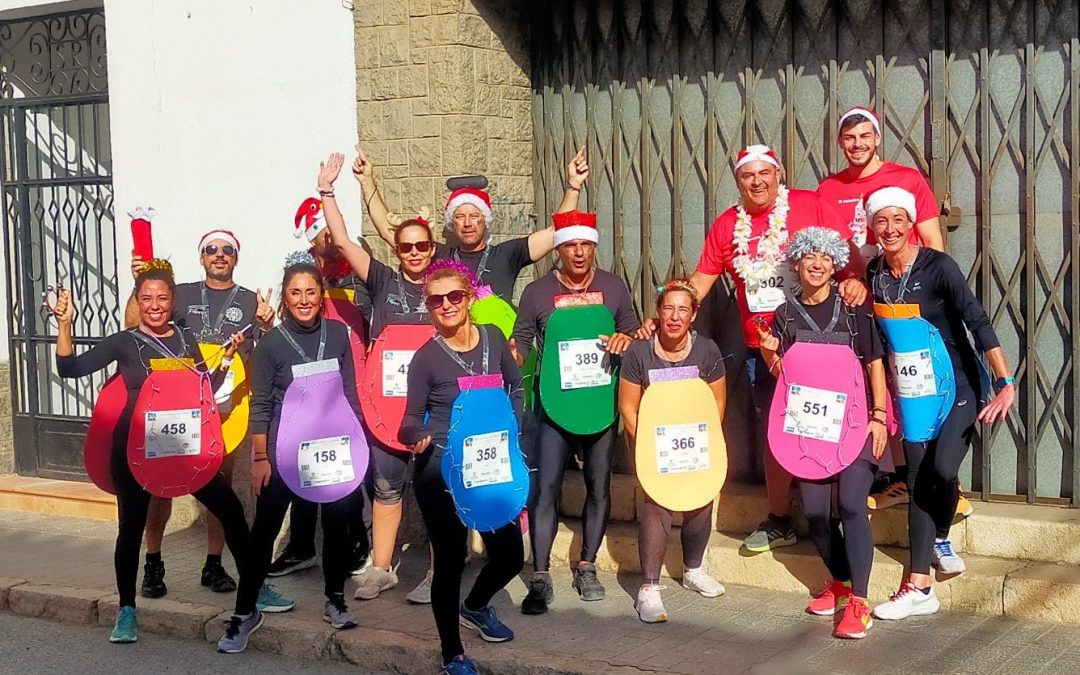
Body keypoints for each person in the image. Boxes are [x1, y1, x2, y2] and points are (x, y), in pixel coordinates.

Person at [678, 144, 865, 554]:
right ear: (738, 180)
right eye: (748, 175)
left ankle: (837, 512)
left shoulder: (808, 204)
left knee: (831, 422)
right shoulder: (730, 224)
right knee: (777, 431)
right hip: (764, 349)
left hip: (822, 342)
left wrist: (855, 279)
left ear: (778, 175)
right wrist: (672, 307)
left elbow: (847, 254)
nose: (757, 181)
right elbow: (703, 279)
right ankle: (780, 519)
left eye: (765, 173)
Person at [53, 260, 251, 644]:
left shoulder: (184, 337)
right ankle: (127, 610)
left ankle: (254, 591)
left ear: (172, 301)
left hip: (181, 446)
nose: (155, 305)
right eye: (147, 298)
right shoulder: (124, 341)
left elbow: (204, 385)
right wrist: (65, 325)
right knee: (131, 530)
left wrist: (226, 359)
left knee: (229, 507)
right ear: (138, 302)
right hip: (135, 447)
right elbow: (70, 369)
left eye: (162, 298)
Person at [863, 187, 1014, 620]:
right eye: (881, 221)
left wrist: (1005, 380)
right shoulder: (875, 273)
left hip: (960, 384)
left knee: (942, 470)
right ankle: (919, 586)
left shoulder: (938, 266)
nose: (890, 229)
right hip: (914, 393)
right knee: (918, 480)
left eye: (898, 220)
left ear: (911, 223)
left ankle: (941, 532)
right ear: (872, 227)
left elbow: (977, 319)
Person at [816, 107, 973, 518]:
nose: (858, 144)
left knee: (922, 383)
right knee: (883, 384)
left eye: (865, 135)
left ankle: (945, 480)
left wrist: (931, 296)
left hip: (908, 300)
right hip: (859, 301)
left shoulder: (906, 179)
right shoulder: (828, 189)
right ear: (839, 143)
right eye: (849, 138)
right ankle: (900, 478)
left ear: (877, 138)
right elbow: (833, 249)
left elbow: (932, 241)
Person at [217, 253, 363, 654]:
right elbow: (261, 405)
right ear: (285, 297)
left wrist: (358, 446)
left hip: (332, 445)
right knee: (264, 531)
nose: (303, 300)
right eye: (295, 293)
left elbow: (349, 394)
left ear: (321, 296)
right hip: (283, 449)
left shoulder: (337, 335)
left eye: (311, 292)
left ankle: (334, 598)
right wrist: (259, 458)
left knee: (336, 526)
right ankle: (245, 612)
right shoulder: (272, 344)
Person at [124, 228, 274, 598]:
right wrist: (137, 284)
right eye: (211, 249)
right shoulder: (181, 293)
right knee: (161, 485)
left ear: (236, 258)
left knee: (219, 485)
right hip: (176, 403)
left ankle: (213, 565)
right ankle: (154, 564)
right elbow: (133, 324)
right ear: (201, 257)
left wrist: (269, 326)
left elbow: (265, 354)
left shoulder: (251, 301)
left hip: (226, 405)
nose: (219, 255)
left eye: (227, 250)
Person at [756, 227, 889, 639]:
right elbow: (782, 369)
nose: (817, 264)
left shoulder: (853, 308)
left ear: (835, 265)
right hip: (810, 430)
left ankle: (860, 603)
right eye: (809, 256)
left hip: (855, 423)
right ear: (796, 263)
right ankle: (842, 583)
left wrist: (880, 415)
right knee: (814, 512)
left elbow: (874, 362)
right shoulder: (785, 312)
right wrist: (767, 351)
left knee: (850, 503)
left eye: (826, 257)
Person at [317, 152, 438, 602]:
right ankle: (382, 567)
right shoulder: (384, 281)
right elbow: (346, 243)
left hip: (434, 409)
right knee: (387, 487)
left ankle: (436, 573)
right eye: (405, 246)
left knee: (437, 492)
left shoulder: (445, 285)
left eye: (421, 246)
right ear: (395, 250)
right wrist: (327, 190)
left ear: (432, 248)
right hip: (385, 407)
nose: (413, 253)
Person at [399, 261, 525, 675]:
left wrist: (513, 429)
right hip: (442, 470)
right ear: (429, 307)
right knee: (450, 562)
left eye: (455, 296)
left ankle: (474, 606)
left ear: (470, 298)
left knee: (509, 556)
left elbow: (517, 386)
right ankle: (452, 653)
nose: (447, 305)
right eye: (436, 300)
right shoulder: (425, 359)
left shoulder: (492, 337)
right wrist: (414, 436)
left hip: (490, 465)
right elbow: (408, 420)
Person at [512, 210, 640, 614]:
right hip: (554, 403)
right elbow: (521, 342)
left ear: (594, 247)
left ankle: (587, 566)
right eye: (570, 245)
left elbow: (633, 333)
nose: (579, 252)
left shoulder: (614, 286)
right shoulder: (537, 292)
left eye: (585, 244)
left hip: (600, 404)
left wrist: (625, 338)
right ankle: (541, 574)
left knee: (598, 487)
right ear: (559, 249)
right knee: (546, 488)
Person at [266, 205, 374, 580]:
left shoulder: (359, 270)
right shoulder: (303, 276)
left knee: (350, 466)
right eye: (319, 235)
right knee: (304, 465)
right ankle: (300, 548)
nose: (326, 240)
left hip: (355, 375)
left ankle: (360, 542)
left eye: (330, 232)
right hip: (312, 385)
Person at [617, 279, 728, 623]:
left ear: (693, 314)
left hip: (694, 442)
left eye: (683, 309)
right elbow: (629, 408)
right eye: (668, 309)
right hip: (654, 446)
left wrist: (701, 442)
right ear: (659, 313)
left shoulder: (707, 350)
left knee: (700, 498)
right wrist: (650, 448)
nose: (674, 317)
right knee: (657, 504)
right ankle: (648, 588)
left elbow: (717, 403)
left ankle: (693, 569)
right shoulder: (639, 352)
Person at [352, 144, 564, 302]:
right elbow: (387, 231)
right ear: (452, 223)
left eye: (474, 216)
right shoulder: (436, 254)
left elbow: (557, 232)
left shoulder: (507, 255)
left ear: (485, 221)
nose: (468, 223)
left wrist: (573, 185)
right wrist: (367, 181)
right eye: (460, 217)